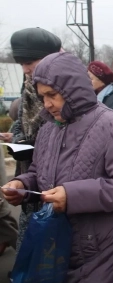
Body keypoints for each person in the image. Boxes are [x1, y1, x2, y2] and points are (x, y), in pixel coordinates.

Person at [2, 52, 113, 283]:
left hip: (97, 259)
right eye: (42, 96)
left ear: (71, 90)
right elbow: (39, 172)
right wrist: (23, 186)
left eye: (52, 95)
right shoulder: (48, 129)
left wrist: (71, 195)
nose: (46, 104)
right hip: (54, 254)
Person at [4, 27, 62, 252]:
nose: (26, 69)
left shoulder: (66, 87)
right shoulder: (28, 86)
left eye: (31, 62)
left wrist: (38, 147)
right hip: (29, 173)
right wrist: (18, 140)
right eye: (21, 64)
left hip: (55, 182)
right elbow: (20, 121)